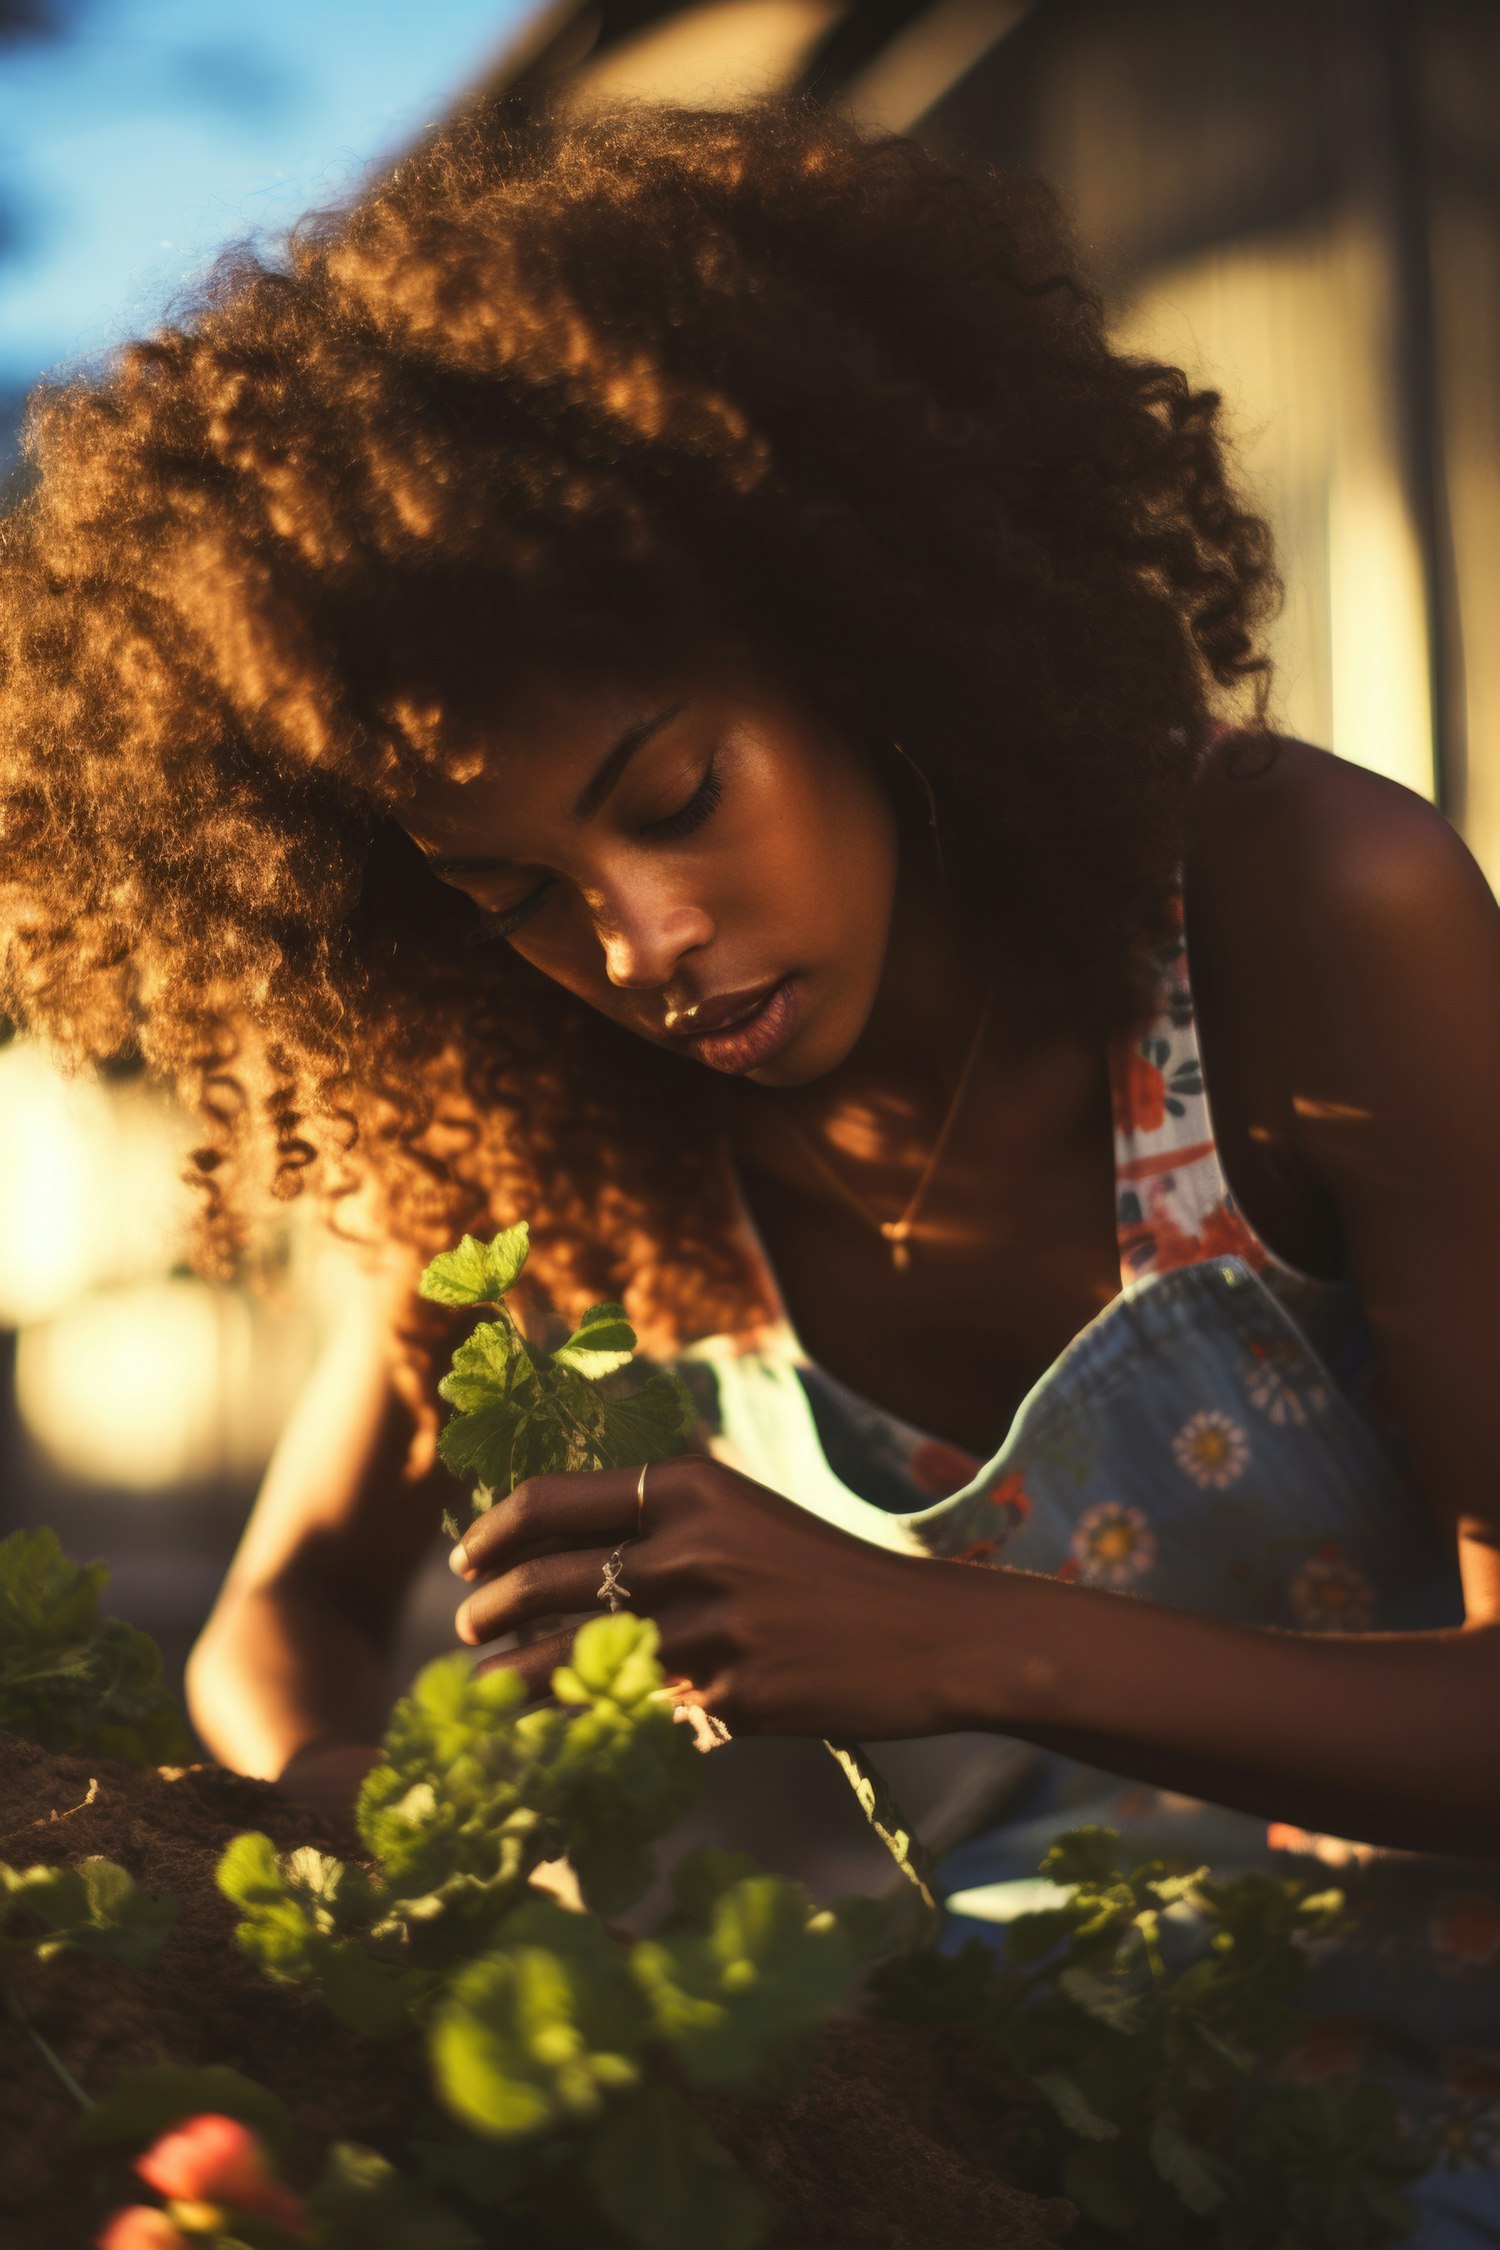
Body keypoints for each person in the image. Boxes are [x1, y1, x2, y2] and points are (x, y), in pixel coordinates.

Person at [2, 94, 1497, 2236]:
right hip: (1059, 2172)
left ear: (862, 639)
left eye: (679, 793)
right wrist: (430, 1860)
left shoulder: (1296, 914)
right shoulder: (551, 1138)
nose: (638, 943)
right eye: (512, 893)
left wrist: (950, 1639)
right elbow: (282, 1627)